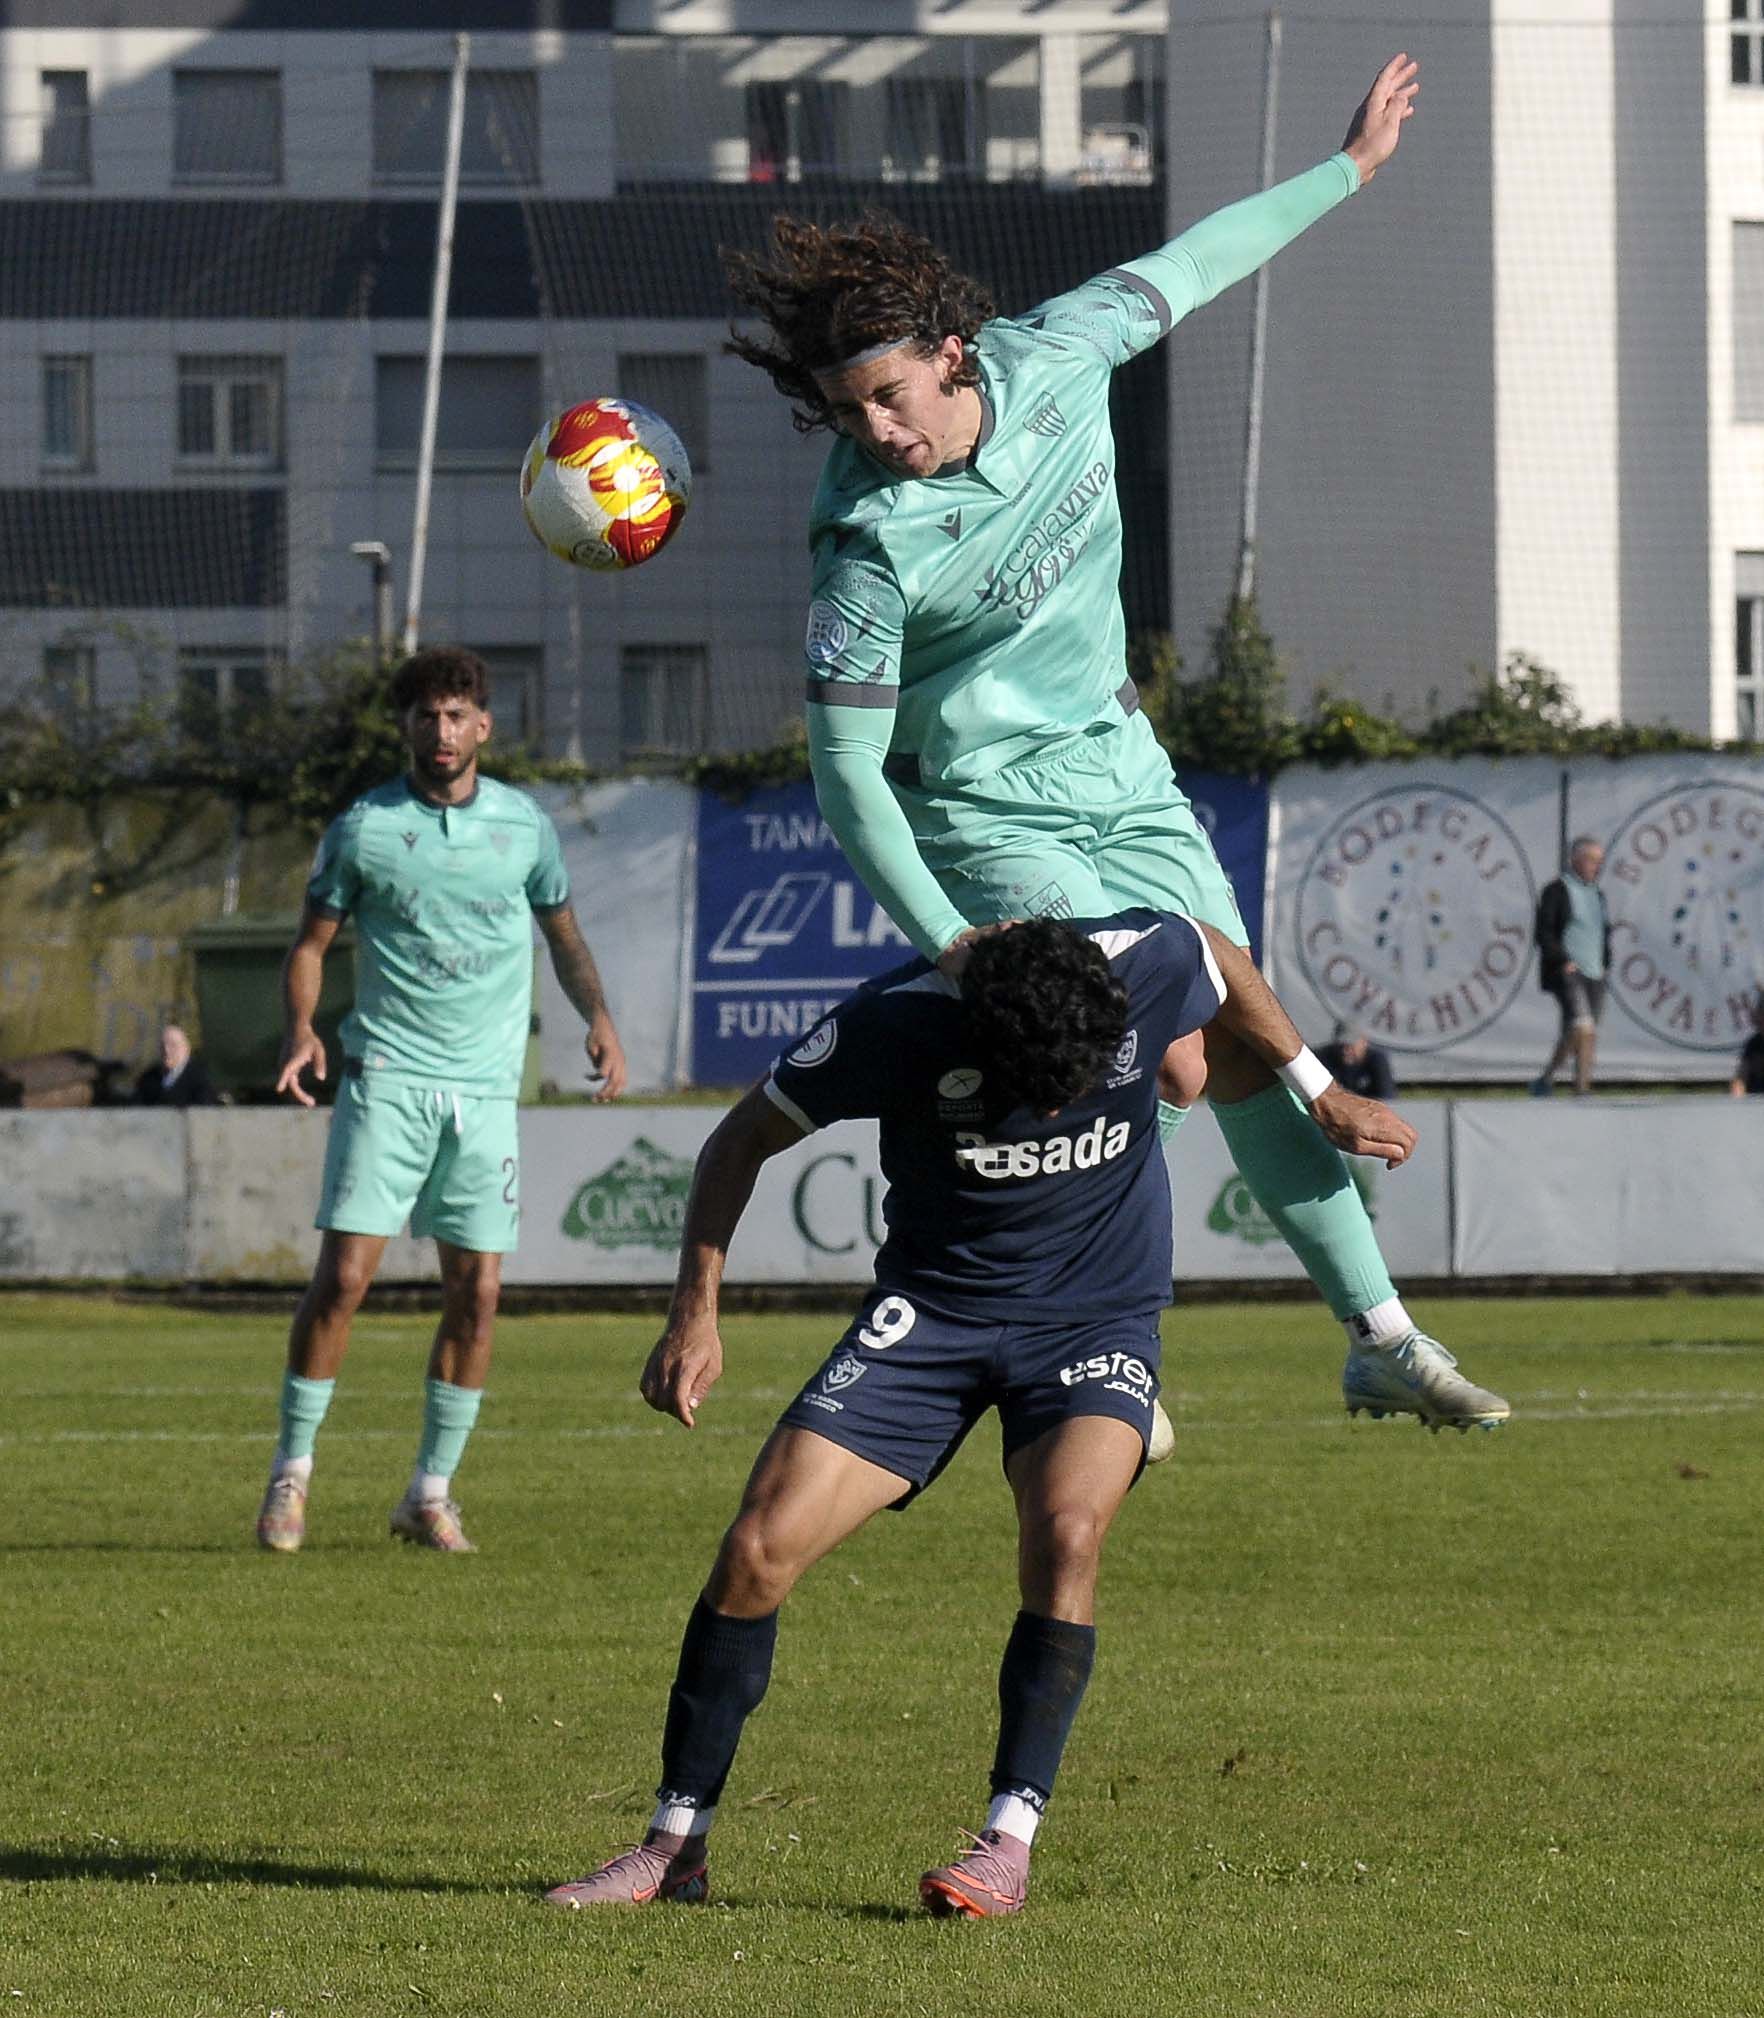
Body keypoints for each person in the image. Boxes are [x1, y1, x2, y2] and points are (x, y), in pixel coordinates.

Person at [723, 54, 1507, 1432]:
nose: (876, 431)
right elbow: (845, 780)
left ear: (952, 352)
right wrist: (952, 941)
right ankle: (1086, 1339)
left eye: (890, 395)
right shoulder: (863, 548)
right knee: (1172, 1053)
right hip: (980, 810)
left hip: (1121, 769)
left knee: (1239, 1043)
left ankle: (1379, 1337)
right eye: (847, 412)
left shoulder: (1061, 352)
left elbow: (1200, 260)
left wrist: (1351, 169)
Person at [543, 909, 1419, 1918]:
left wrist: (1320, 1089)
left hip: (1095, 1313)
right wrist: (694, 1313)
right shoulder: (891, 1021)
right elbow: (738, 1140)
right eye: (1033, 1089)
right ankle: (674, 1846)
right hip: (931, 1317)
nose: (1053, 1109)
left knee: (1068, 1532)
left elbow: (1217, 950)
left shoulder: (1143, 963)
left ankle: (1007, 1839)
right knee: (755, 1550)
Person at [254, 645, 628, 1555]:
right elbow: (311, 945)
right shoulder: (365, 829)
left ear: (483, 726)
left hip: (486, 1092)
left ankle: (429, 1494)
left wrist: (599, 1016)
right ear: (407, 728)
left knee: (480, 1294)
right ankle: (291, 1477)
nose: (442, 729)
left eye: (457, 713)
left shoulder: (524, 828)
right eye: (426, 714)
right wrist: (302, 1029)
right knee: (344, 1280)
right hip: (388, 1077)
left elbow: (564, 935)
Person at [1530, 837, 1610, 1099]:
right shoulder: (1556, 890)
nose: (1596, 866)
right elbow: (1544, 932)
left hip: (1595, 971)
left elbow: (1602, 931)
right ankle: (1581, 1088)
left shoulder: (1597, 894)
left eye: (1599, 861)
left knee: (1581, 1031)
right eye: (1591, 860)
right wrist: (1562, 959)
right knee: (1583, 1026)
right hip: (1568, 971)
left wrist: (1605, 963)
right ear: (1575, 860)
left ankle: (1548, 1080)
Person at [132, 1020, 219, 1108]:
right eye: (162, 1045)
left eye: (173, 1045)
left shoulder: (201, 1079)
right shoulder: (148, 1078)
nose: (166, 1050)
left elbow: (204, 1110)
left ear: (186, 1048)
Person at [1318, 1022, 1396, 1102]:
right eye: (1341, 1045)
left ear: (1364, 1043)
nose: (1345, 1051)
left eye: (1350, 1046)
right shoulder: (1322, 1058)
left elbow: (1387, 1098)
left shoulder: (1377, 1061)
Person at [1730, 993, 1764, 1096]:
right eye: (1759, 1012)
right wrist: (1737, 1100)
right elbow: (1740, 1080)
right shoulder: (1753, 1044)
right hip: (1754, 1102)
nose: (1758, 1018)